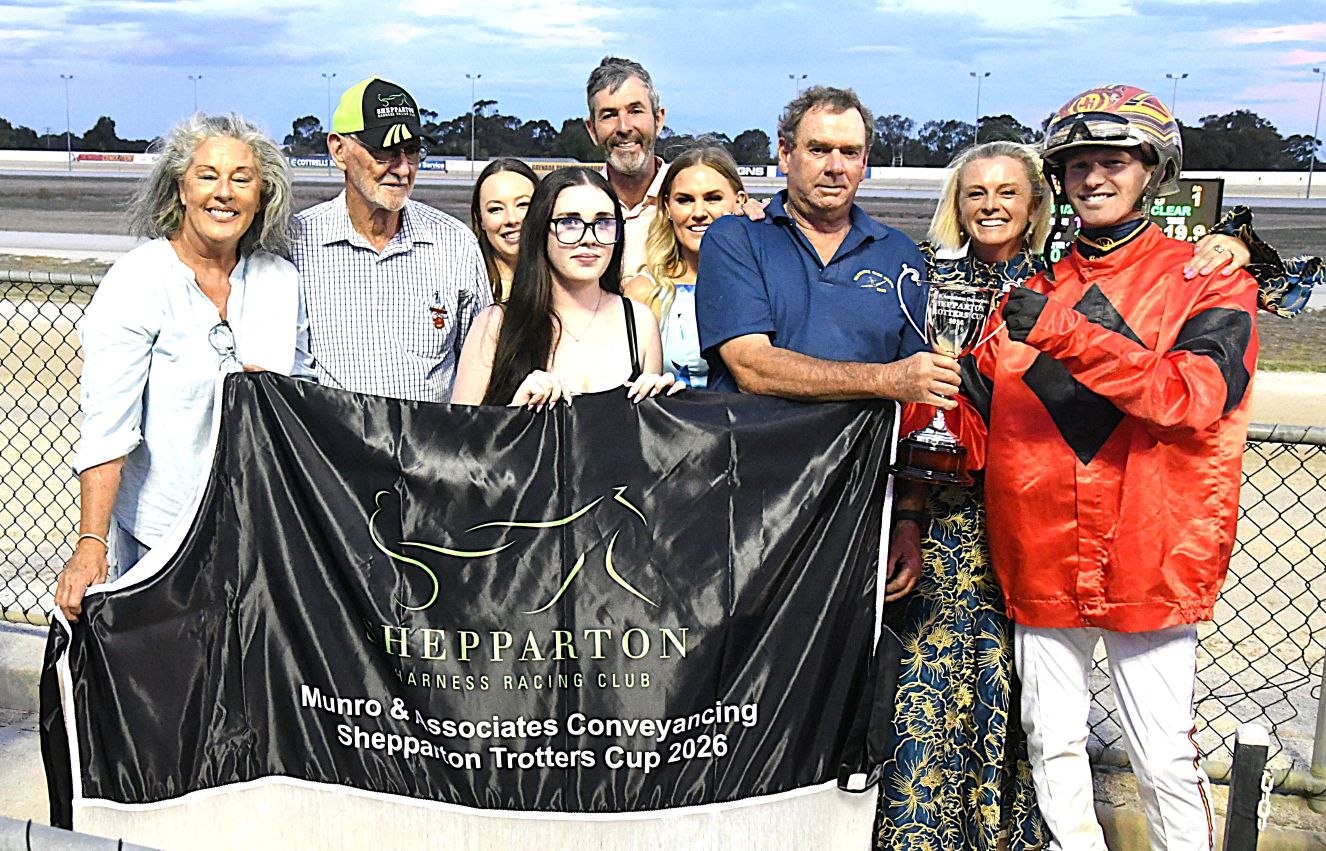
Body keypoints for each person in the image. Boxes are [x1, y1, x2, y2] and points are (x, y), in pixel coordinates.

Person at [950, 85, 1258, 851]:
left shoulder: (1209, 280)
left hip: (1149, 554)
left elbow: (1193, 397)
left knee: (1161, 753)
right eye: (1078, 163)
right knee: (1050, 737)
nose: (1093, 177)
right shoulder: (1027, 296)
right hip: (1041, 553)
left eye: (1113, 161)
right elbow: (975, 418)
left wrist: (1068, 335)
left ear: (1151, 170)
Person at [53, 113, 313, 622]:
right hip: (161, 538)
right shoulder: (140, 280)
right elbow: (108, 427)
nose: (225, 192)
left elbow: (301, 401)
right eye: (207, 175)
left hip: (257, 533)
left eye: (242, 178)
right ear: (180, 188)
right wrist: (90, 544)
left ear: (262, 196)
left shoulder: (281, 282)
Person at [293, 77, 491, 403]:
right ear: (338, 149)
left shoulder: (457, 245)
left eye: (411, 151)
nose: (402, 169)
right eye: (384, 152)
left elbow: (482, 371)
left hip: (430, 451)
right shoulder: (296, 244)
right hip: (331, 452)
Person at [451, 167, 682, 407]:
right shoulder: (496, 323)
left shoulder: (640, 322)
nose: (589, 238)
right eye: (570, 223)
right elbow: (462, 436)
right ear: (540, 230)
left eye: (603, 222)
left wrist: (662, 410)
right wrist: (514, 413)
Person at [624, 144, 748, 388]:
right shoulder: (644, 292)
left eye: (713, 198)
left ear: (739, 201)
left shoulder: (761, 284)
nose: (699, 212)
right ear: (668, 207)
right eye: (685, 200)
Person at [584, 56, 668, 277]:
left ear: (658, 120)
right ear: (592, 129)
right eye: (609, 115)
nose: (624, 127)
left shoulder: (692, 200)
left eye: (635, 111)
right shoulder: (575, 204)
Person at [470, 157, 539, 303]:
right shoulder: (464, 284)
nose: (511, 219)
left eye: (523, 204)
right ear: (480, 219)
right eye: (496, 209)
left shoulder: (565, 282)